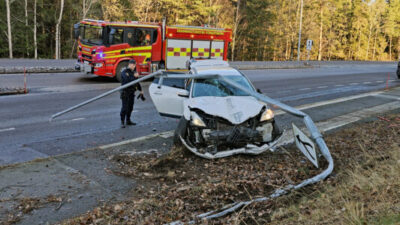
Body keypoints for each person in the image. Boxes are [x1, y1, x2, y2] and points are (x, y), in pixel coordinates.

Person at [120, 59, 143, 128]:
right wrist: (134, 77)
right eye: (131, 65)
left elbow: (137, 82)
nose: (133, 66)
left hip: (131, 92)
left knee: (130, 107)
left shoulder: (134, 72)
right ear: (129, 65)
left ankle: (128, 120)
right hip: (125, 92)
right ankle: (122, 122)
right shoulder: (124, 72)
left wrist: (141, 90)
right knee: (124, 108)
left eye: (133, 65)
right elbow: (127, 81)